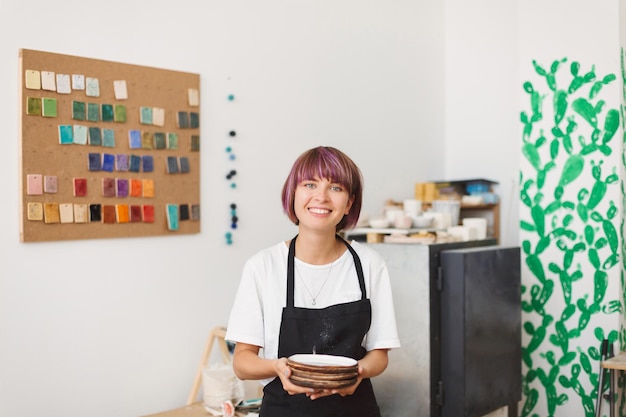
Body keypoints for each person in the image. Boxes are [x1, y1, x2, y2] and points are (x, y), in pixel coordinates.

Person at [225, 146, 400, 417]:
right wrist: (277, 367)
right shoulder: (263, 266)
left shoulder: (369, 264)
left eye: (336, 188)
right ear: (293, 194)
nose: (321, 197)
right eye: (309, 184)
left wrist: (358, 372)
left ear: (349, 203)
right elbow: (242, 363)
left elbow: (380, 355)